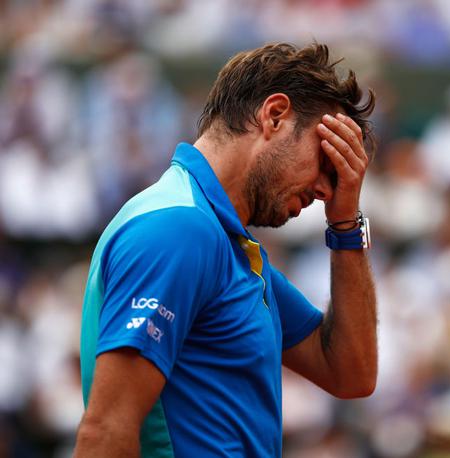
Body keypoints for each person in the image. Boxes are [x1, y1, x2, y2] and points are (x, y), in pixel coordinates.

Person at [74, 42, 378, 457]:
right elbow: (106, 432)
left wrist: (346, 225)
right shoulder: (179, 228)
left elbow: (351, 372)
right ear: (274, 116)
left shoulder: (225, 243)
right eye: (326, 160)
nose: (330, 189)